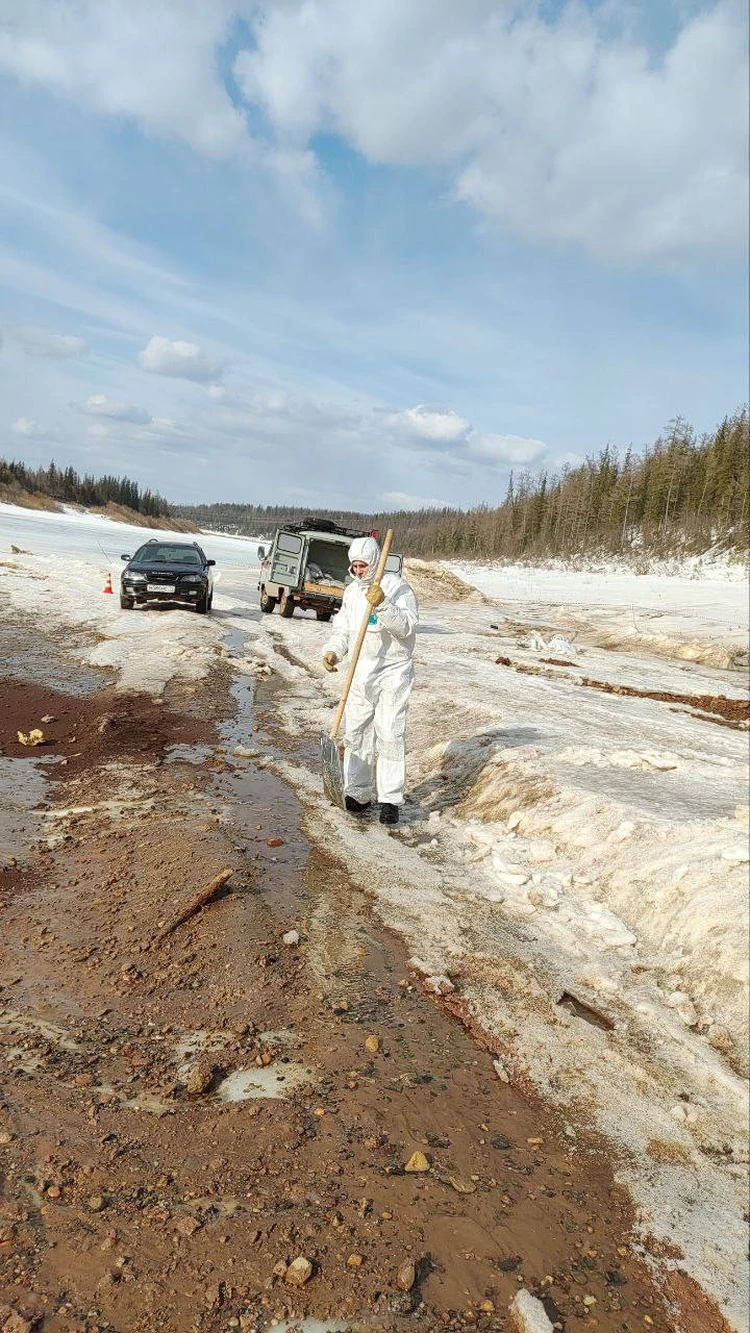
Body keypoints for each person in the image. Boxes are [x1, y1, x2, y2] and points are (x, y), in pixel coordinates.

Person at [322, 535, 418, 825]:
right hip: (361, 671)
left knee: (389, 733)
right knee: (357, 733)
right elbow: (343, 628)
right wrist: (333, 651)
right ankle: (358, 792)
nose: (359, 570)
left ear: (376, 562)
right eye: (355, 565)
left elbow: (407, 629)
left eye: (363, 565)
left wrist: (383, 604)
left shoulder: (398, 588)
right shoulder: (352, 592)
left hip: (393, 671)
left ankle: (389, 799)